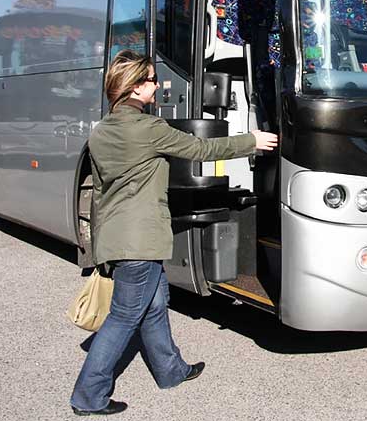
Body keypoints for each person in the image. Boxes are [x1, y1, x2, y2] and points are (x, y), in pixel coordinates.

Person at [71, 50, 278, 416]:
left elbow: (100, 195)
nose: (156, 85)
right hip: (142, 240)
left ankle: (171, 371)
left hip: (117, 238)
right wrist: (252, 141)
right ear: (134, 88)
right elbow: (201, 148)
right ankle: (88, 396)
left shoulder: (100, 132)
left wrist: (99, 249)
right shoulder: (149, 129)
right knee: (123, 318)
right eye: (150, 80)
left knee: (153, 305)